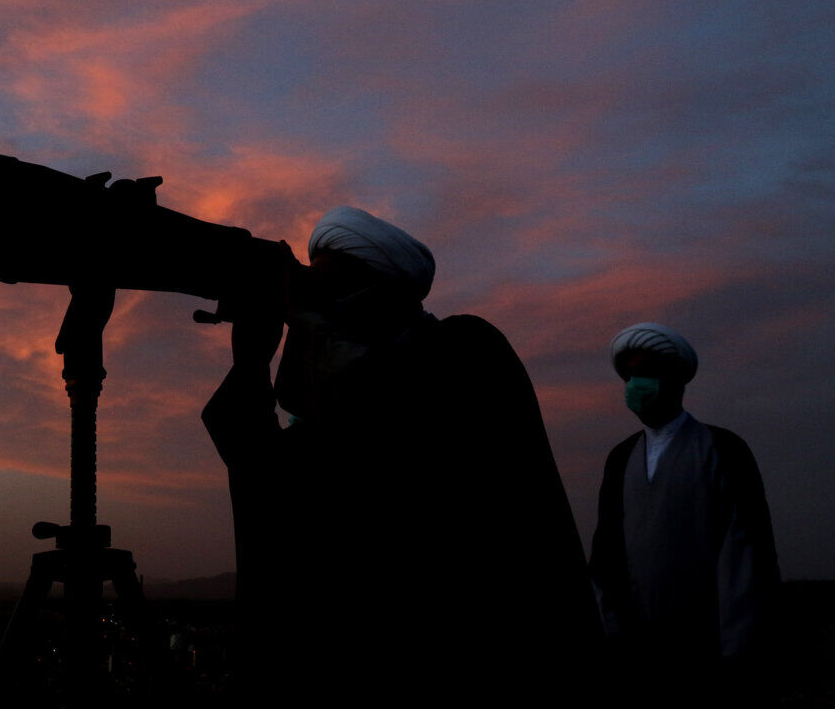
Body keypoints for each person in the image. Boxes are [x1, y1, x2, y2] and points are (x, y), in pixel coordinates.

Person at [202, 206, 601, 701]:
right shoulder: (329, 414)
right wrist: (251, 362)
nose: (320, 310)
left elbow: (393, 429)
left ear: (390, 292)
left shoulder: (464, 351)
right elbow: (269, 482)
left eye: (336, 289)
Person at [589, 322, 779, 695]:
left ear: (676, 379)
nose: (635, 386)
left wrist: (736, 652)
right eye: (630, 376)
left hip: (708, 655)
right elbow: (606, 553)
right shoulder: (621, 457)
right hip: (638, 655)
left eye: (646, 373)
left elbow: (744, 555)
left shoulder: (722, 449)